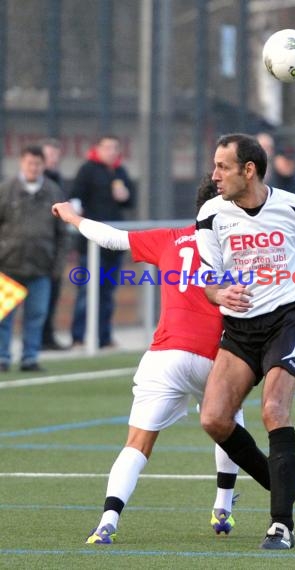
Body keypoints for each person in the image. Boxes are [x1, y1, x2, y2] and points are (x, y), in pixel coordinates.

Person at [51, 175, 244, 544]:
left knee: (137, 444)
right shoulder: (239, 245)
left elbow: (111, 237)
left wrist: (74, 219)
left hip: (165, 355)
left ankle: (107, 522)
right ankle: (223, 508)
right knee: (230, 422)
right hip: (214, 355)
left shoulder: (171, 238)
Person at [195, 133, 295, 551]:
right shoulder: (211, 214)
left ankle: (281, 525)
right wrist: (219, 294)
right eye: (214, 166)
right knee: (213, 418)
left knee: (273, 409)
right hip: (240, 329)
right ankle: (283, 481)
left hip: (287, 320)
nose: (214, 175)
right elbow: (207, 279)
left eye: (222, 166)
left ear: (249, 170)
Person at [0, 145, 67, 372]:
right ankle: (2, 357)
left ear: (43, 165)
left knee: (37, 315)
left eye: (37, 164)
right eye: (29, 163)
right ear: (22, 163)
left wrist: (57, 266)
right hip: (9, 265)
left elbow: (61, 233)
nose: (33, 167)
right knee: (4, 317)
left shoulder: (53, 191)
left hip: (41, 267)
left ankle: (30, 358)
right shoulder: (6, 190)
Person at [69, 135, 135, 348]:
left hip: (112, 245)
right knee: (87, 291)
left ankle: (104, 337)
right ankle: (79, 338)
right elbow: (75, 196)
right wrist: (77, 217)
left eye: (115, 147)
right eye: (107, 147)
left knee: (107, 292)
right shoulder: (88, 169)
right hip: (91, 243)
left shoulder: (120, 171)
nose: (111, 151)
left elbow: (130, 200)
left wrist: (124, 195)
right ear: (98, 149)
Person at [40, 138, 68, 350]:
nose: (53, 159)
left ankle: (45, 337)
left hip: (50, 250)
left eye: (55, 155)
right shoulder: (24, 185)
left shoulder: (58, 181)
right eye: (48, 155)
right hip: (21, 253)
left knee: (49, 298)